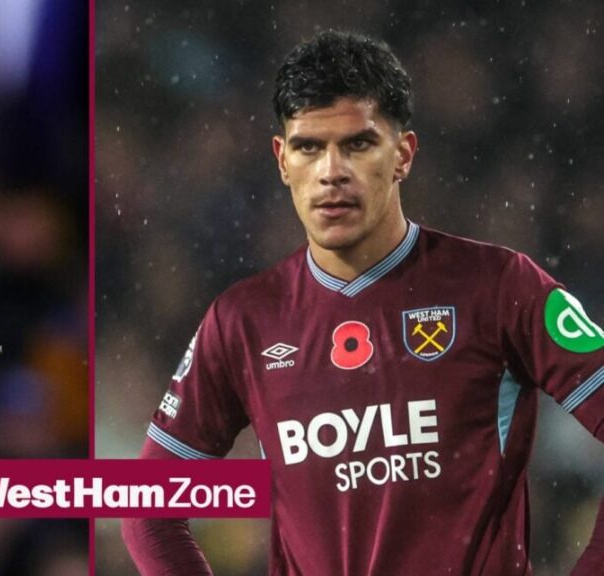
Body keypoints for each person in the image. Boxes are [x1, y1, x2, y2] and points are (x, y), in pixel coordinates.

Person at [122, 30, 604, 575]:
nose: (332, 172)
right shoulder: (242, 322)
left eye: (358, 144)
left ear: (403, 155)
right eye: (309, 147)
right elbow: (147, 507)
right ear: (282, 160)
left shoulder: (497, 286)